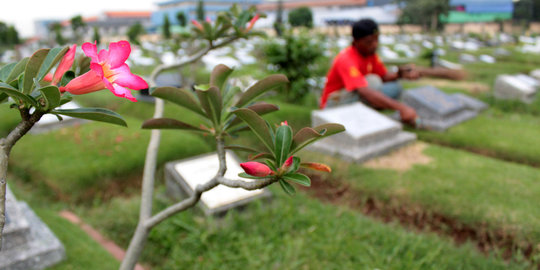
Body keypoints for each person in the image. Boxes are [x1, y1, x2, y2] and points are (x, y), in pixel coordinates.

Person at [320, 18, 420, 125]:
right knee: (373, 82)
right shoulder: (346, 59)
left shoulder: (370, 55)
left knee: (395, 87)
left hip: (355, 96)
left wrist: (399, 74)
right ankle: (361, 117)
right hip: (333, 104)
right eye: (369, 42)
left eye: (376, 40)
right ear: (356, 41)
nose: (374, 45)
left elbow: (384, 76)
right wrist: (402, 108)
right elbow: (364, 91)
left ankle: (367, 114)